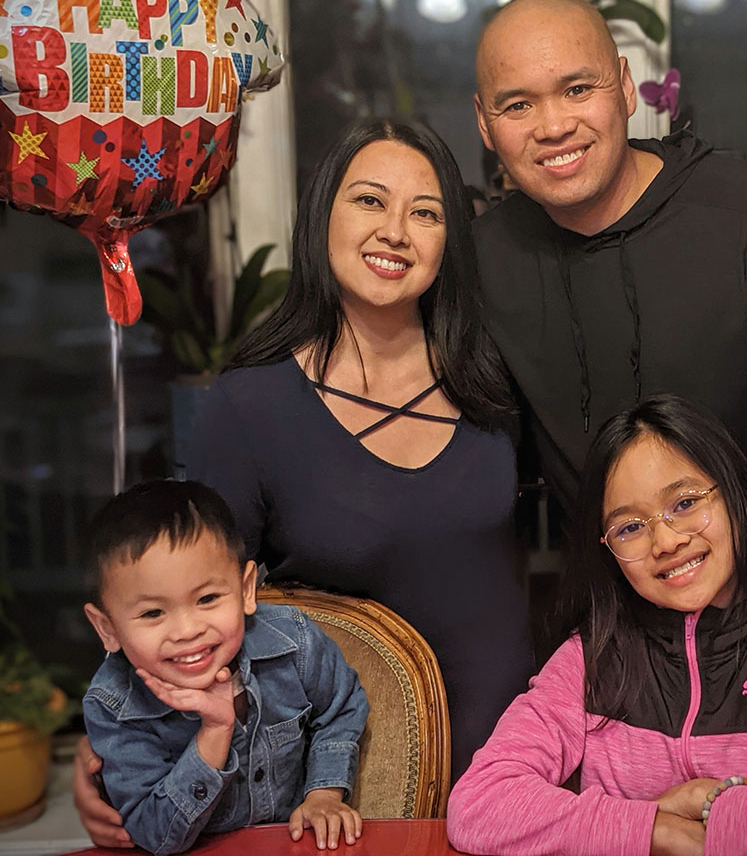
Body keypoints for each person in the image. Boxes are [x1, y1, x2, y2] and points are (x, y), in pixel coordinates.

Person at [470, 0, 747, 836]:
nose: (553, 125)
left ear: (625, 84)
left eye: (577, 89)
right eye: (518, 103)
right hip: (619, 662)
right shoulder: (488, 260)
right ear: (485, 124)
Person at [73, 117, 535, 846]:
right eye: (370, 202)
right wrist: (111, 727)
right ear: (323, 215)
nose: (396, 231)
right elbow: (186, 597)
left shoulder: (497, 385)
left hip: (521, 768)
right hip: (346, 790)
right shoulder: (250, 407)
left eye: (427, 212)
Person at [447, 395, 747, 856]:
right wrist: (658, 829)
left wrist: (719, 815)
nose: (667, 540)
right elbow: (479, 806)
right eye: (630, 527)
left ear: (734, 495)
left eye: (686, 502)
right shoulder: (589, 658)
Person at [81, 480, 368, 855]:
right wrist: (214, 732)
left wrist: (324, 793)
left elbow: (341, 706)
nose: (188, 631)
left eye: (208, 598)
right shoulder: (112, 706)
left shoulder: (293, 643)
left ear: (246, 589)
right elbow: (155, 835)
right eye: (153, 612)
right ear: (107, 628)